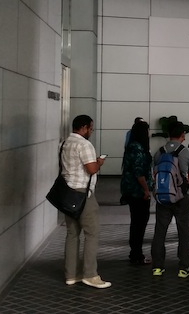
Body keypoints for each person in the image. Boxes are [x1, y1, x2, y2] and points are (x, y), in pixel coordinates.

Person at [62, 115, 110, 288]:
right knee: (92, 233)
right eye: (91, 128)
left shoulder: (65, 143)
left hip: (67, 193)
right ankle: (90, 274)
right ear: (84, 127)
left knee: (72, 234)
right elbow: (91, 169)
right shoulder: (84, 145)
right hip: (82, 194)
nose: (91, 131)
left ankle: (71, 275)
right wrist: (99, 163)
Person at [151, 121, 189, 278]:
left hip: (163, 196)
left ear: (168, 135)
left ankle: (157, 267)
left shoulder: (159, 152)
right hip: (182, 197)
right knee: (183, 231)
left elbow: (155, 174)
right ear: (183, 135)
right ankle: (184, 267)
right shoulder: (187, 152)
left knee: (160, 231)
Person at [119, 119, 153, 265]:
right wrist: (146, 190)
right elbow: (139, 172)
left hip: (131, 190)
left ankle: (135, 253)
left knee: (136, 222)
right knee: (140, 222)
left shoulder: (131, 146)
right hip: (138, 192)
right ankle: (136, 254)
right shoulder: (138, 148)